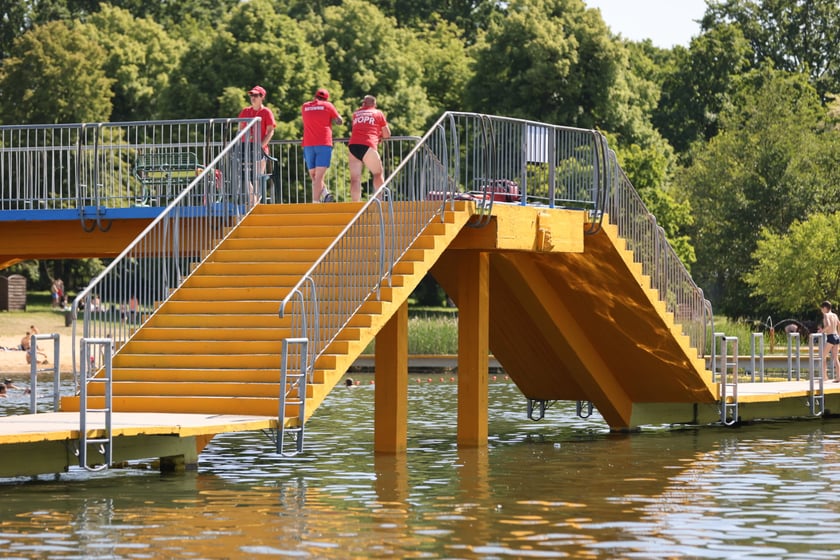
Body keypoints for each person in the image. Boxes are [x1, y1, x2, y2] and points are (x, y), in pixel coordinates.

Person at [302, 88, 343, 203]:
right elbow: (339, 121)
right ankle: (316, 202)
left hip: (308, 144)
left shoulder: (305, 106)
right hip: (323, 143)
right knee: (319, 177)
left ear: (315, 96)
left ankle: (325, 194)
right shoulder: (328, 105)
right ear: (326, 99)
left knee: (314, 175)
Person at [348, 95, 391, 202]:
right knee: (377, 173)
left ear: (363, 103)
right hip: (368, 144)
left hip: (353, 145)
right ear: (374, 104)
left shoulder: (356, 114)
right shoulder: (378, 113)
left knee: (355, 178)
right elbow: (387, 134)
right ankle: (379, 199)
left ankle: (355, 204)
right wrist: (379, 135)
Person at [238, 85, 276, 205]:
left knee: (257, 176)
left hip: (260, 148)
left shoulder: (266, 112)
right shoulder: (245, 111)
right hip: (246, 147)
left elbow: (270, 131)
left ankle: (255, 201)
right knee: (245, 175)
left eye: (255, 95)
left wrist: (261, 146)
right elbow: (240, 129)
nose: (252, 97)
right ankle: (253, 200)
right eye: (251, 95)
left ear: (262, 97)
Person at [820, 301, 840, 382]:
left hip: (831, 337)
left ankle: (825, 376)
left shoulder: (826, 315)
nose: (821, 311)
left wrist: (821, 331)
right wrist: (839, 334)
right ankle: (838, 377)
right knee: (835, 358)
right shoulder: (835, 315)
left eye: (821, 309)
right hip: (836, 336)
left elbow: (828, 325)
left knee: (822, 356)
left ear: (825, 308)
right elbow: (839, 324)